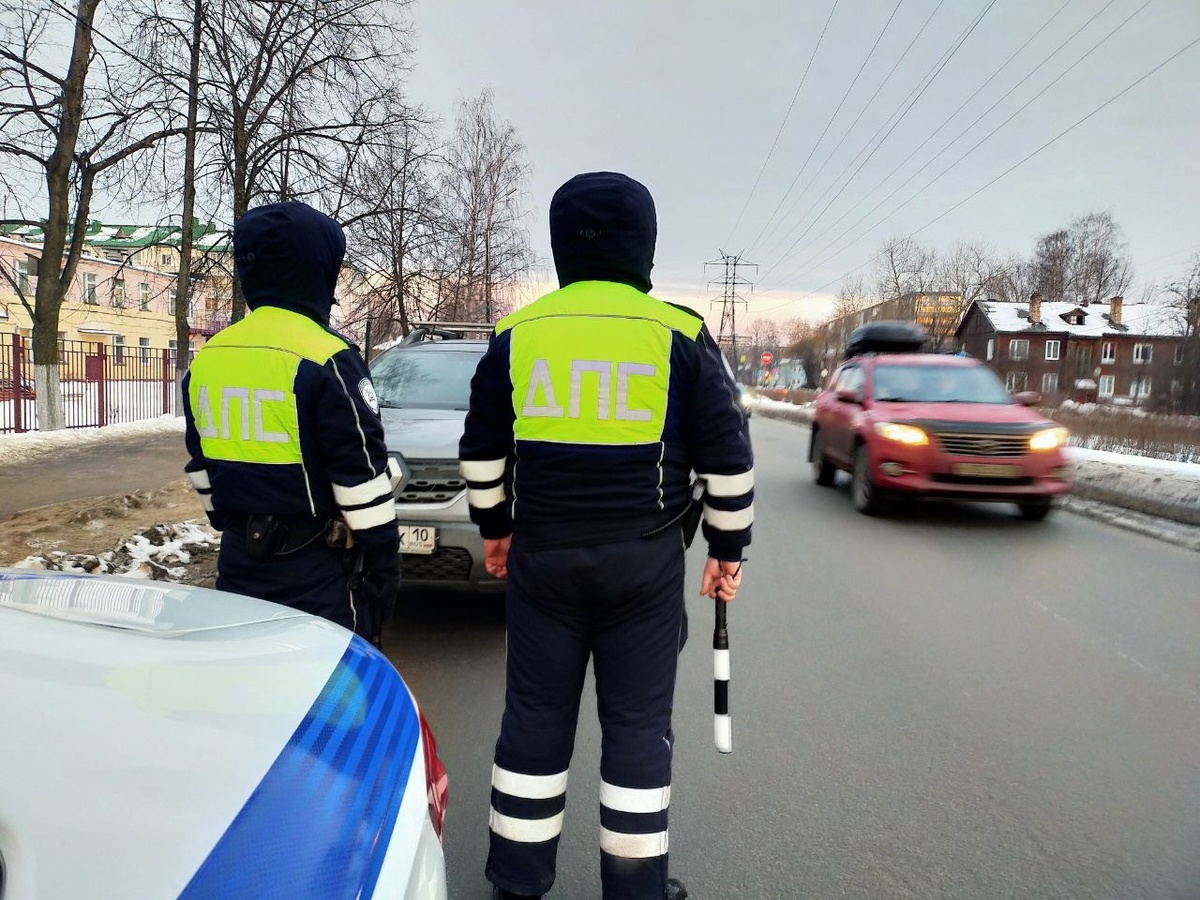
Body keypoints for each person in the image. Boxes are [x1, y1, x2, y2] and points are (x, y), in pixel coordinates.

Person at [460, 172, 754, 900]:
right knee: (637, 728)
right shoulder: (681, 333)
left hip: (542, 557)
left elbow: (482, 452)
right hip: (644, 565)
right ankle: (634, 887)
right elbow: (728, 456)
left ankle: (516, 882)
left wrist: (495, 529)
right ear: (643, 244)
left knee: (534, 717)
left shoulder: (517, 333)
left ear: (561, 244)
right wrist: (726, 550)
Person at [181, 201, 400, 644]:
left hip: (238, 567)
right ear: (319, 270)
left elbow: (201, 468)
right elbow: (360, 483)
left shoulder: (208, 358)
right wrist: (384, 572)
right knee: (328, 685)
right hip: (317, 579)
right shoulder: (328, 357)